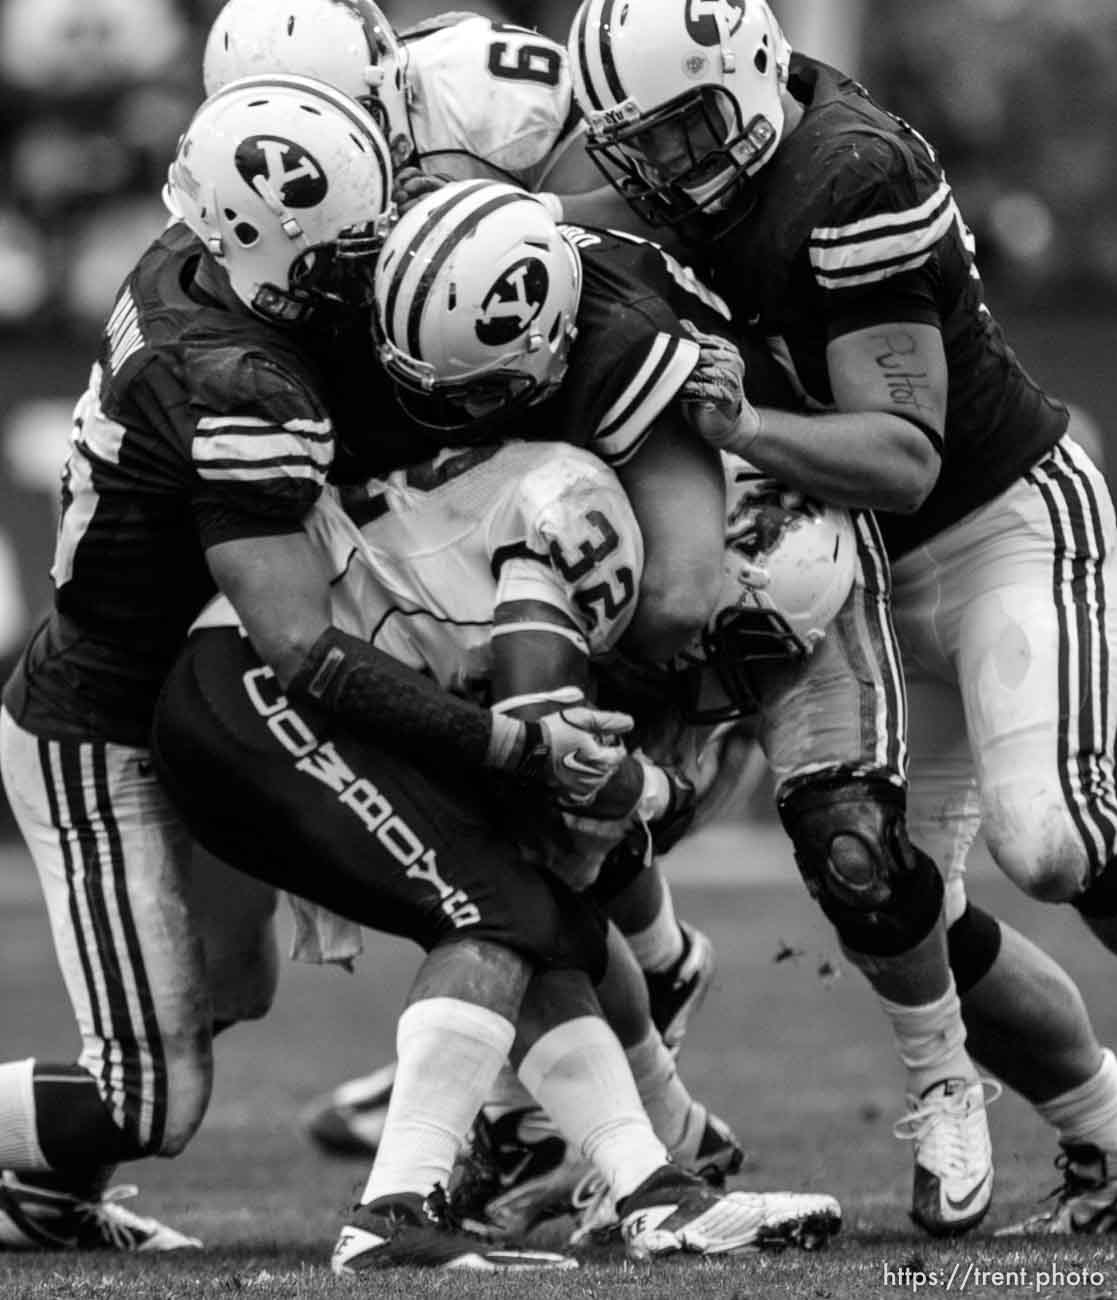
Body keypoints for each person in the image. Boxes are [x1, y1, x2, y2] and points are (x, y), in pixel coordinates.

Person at [0, 73, 627, 1255]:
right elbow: (297, 646)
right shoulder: (237, 381)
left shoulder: (194, 254)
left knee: (232, 991)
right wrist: (495, 740)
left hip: (178, 695)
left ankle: (42, 1195)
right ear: (265, 239)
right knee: (150, 1095)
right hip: (104, 722)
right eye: (337, 248)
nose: (361, 264)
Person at [565, 0, 1117, 1237]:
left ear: (752, 76)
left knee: (1054, 840)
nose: (668, 170)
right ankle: (1103, 1131)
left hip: (995, 530)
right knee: (897, 894)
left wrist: (743, 426)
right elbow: (593, 220)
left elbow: (905, 458)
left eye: (686, 133)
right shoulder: (693, 166)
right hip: (853, 566)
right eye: (639, 147)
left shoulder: (845, 177)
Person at [151, 433, 844, 1269]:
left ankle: (655, 1189)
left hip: (316, 708)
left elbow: (560, 839)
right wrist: (658, 793)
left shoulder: (587, 519)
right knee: (499, 910)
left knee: (554, 926)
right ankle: (394, 1211)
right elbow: (554, 753)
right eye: (732, 641)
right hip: (261, 694)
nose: (721, 676)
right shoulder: (580, 515)